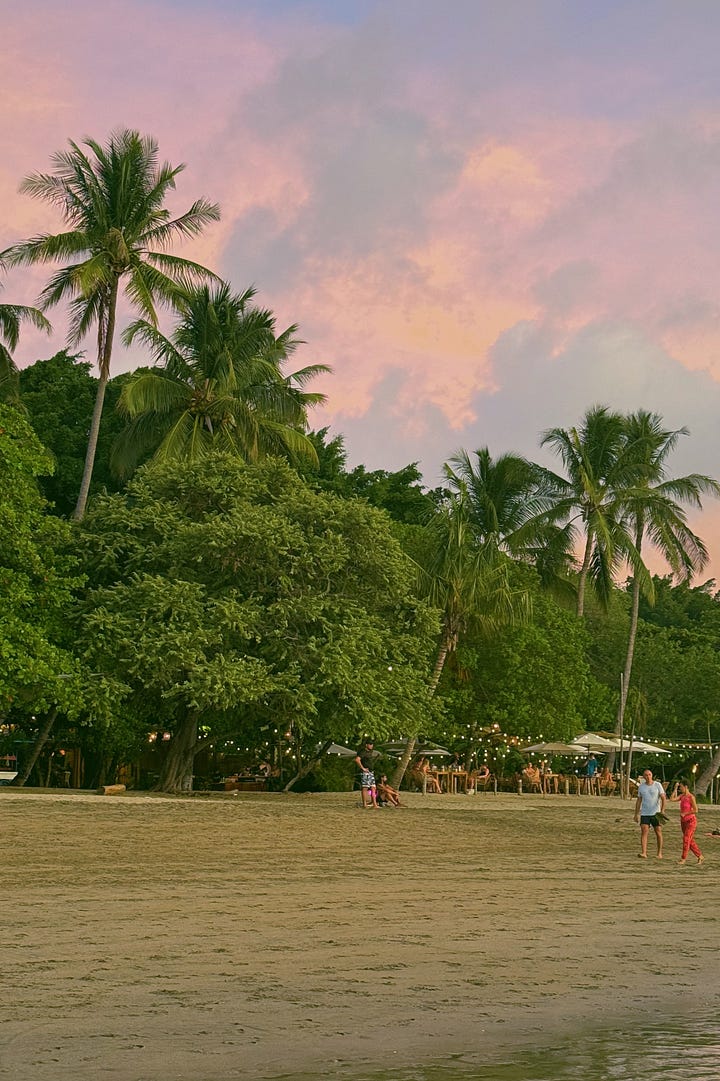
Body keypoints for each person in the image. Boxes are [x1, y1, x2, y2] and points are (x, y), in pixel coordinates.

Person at [668, 781, 704, 865]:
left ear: (686, 787)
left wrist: (685, 813)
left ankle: (683, 858)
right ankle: (700, 856)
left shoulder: (691, 797)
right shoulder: (682, 796)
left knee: (686, 839)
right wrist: (675, 788)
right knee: (689, 841)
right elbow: (672, 799)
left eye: (681, 787)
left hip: (691, 821)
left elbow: (695, 810)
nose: (680, 789)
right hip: (683, 821)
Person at [634, 768, 666, 858]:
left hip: (656, 812)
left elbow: (663, 798)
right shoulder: (641, 787)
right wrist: (636, 813)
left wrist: (662, 810)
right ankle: (644, 852)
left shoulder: (657, 785)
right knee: (644, 831)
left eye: (649, 775)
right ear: (643, 777)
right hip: (645, 812)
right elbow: (639, 800)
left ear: (651, 775)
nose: (648, 777)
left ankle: (659, 853)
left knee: (658, 831)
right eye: (646, 775)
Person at [354, 738, 379, 808]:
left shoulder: (370, 752)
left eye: (372, 744)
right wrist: (363, 768)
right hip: (366, 772)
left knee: (373, 787)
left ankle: (374, 804)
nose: (371, 746)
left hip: (371, 771)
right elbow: (357, 759)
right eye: (370, 744)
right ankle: (364, 804)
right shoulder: (363, 752)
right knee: (365, 787)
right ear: (366, 745)